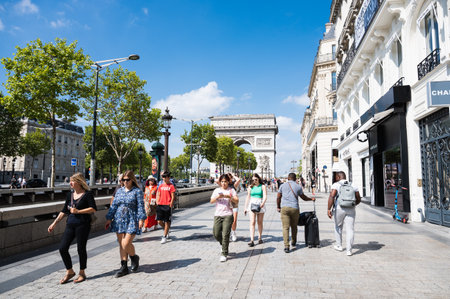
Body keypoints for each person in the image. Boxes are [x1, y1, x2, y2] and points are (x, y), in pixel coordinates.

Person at [47, 172, 97, 284]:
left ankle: (82, 273)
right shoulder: (70, 195)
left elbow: (93, 208)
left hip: (83, 224)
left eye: (72, 181)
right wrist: (54, 223)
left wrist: (78, 211)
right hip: (70, 224)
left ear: (79, 182)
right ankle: (70, 271)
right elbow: (64, 210)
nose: (70, 183)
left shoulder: (88, 194)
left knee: (81, 249)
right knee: (62, 248)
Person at [105, 170, 146, 278]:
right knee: (121, 243)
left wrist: (141, 219)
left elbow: (140, 206)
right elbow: (114, 205)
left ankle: (134, 257)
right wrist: (109, 218)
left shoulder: (137, 191)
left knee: (126, 243)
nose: (125, 182)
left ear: (132, 180)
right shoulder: (119, 191)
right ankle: (123, 267)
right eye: (123, 180)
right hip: (119, 219)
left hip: (132, 219)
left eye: (127, 180)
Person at [277, 172, 315, 253]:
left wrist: (278, 206)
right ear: (295, 179)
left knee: (285, 227)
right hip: (295, 209)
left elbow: (278, 197)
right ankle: (293, 242)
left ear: (288, 178)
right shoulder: (298, 187)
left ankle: (286, 246)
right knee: (294, 226)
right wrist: (311, 199)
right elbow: (303, 198)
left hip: (285, 208)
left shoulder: (282, 186)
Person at [327, 171, 361, 256]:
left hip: (339, 208)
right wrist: (352, 205)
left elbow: (332, 196)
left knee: (338, 226)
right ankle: (349, 250)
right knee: (350, 229)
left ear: (338, 177)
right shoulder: (353, 185)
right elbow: (358, 198)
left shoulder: (336, 185)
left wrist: (328, 209)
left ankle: (339, 245)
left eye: (336, 177)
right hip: (351, 209)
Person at [210, 174, 239, 262]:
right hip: (218, 214)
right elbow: (211, 201)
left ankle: (224, 253)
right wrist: (218, 197)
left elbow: (237, 200)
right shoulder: (216, 190)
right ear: (220, 182)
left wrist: (229, 197)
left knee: (225, 234)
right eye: (222, 181)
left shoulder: (231, 190)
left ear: (228, 182)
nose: (223, 183)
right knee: (216, 233)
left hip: (228, 214)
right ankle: (224, 245)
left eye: (225, 181)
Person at [244, 173, 268, 247]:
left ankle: (260, 237)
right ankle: (252, 240)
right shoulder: (250, 187)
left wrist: (263, 203)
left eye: (256, 179)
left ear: (259, 179)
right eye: (253, 180)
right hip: (252, 203)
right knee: (252, 222)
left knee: (260, 222)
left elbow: (265, 195)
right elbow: (248, 197)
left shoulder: (263, 186)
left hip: (260, 203)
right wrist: (245, 207)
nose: (255, 181)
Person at [156, 171, 176, 244]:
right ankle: (166, 230)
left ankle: (164, 236)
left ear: (168, 178)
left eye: (165, 177)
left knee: (167, 221)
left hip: (167, 205)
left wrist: (171, 203)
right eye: (163, 177)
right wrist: (157, 201)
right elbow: (158, 193)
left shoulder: (171, 186)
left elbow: (173, 196)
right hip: (160, 204)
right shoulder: (161, 186)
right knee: (159, 221)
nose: (164, 178)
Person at [227, 173, 241, 242]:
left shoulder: (233, 185)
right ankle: (228, 233)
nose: (229, 179)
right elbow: (217, 180)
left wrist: (233, 175)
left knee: (234, 220)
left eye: (230, 177)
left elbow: (238, 180)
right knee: (227, 220)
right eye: (228, 177)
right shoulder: (224, 185)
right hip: (226, 204)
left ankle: (233, 232)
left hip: (234, 203)